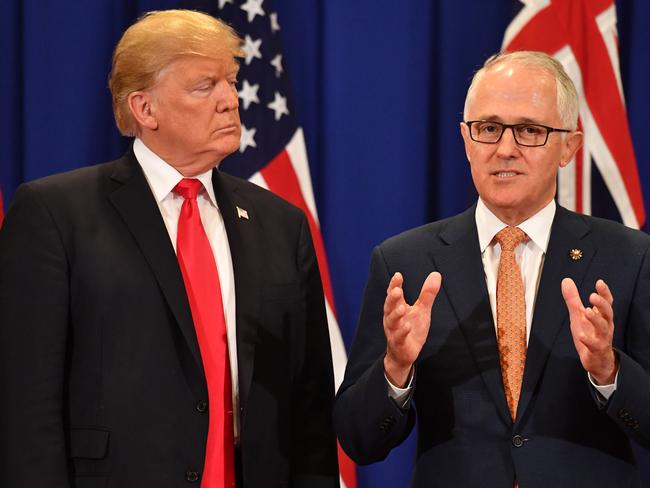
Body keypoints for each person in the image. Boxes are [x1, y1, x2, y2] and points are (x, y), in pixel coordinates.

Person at [0, 10, 339, 488]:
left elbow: (310, 407)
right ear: (145, 109)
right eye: (205, 86)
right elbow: (26, 407)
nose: (229, 100)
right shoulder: (56, 214)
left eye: (231, 81)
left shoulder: (281, 224)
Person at [334, 51, 650, 487]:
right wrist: (395, 368)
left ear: (568, 148)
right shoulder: (404, 262)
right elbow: (359, 439)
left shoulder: (628, 257)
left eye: (529, 130)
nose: (505, 149)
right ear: (466, 141)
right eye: (488, 129)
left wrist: (608, 370)